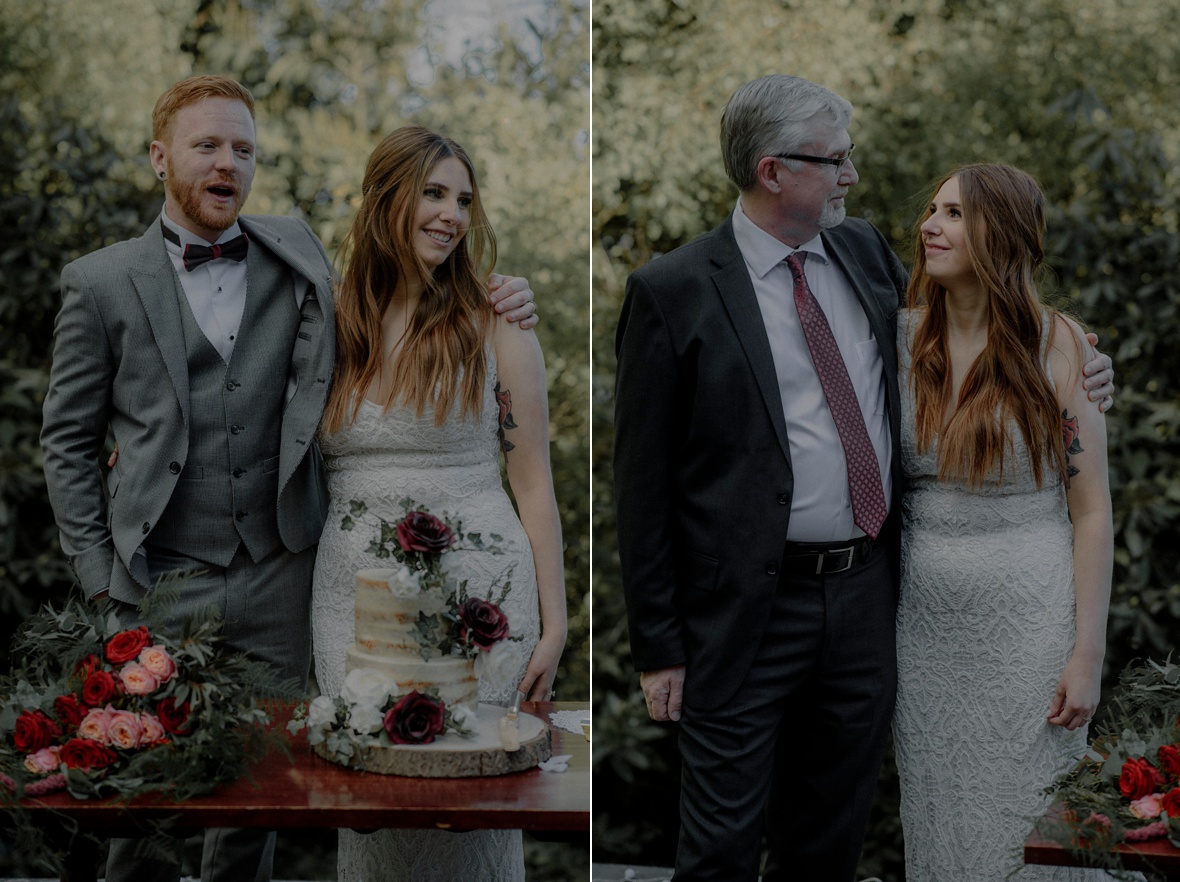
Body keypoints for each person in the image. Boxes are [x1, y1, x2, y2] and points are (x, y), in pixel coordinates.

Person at [612, 74, 1114, 881]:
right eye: (836, 160)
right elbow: (640, 488)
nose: (852, 176)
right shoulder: (672, 292)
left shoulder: (865, 253)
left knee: (828, 841)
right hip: (740, 614)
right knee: (719, 849)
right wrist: (658, 646)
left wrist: (1085, 366)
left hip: (866, 604)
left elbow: (990, 347)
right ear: (774, 170)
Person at [38, 76, 537, 882]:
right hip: (157, 583)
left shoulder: (294, 255)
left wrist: (500, 295)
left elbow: (401, 291)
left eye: (243, 148)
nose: (227, 162)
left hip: (281, 580)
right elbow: (65, 444)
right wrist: (102, 583)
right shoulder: (98, 283)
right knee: (142, 810)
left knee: (254, 817)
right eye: (207, 145)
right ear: (159, 156)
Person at [310, 125, 567, 881]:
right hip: (349, 605)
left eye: (462, 198)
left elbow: (535, 485)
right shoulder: (329, 319)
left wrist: (556, 624)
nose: (451, 215)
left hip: (480, 602)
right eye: (432, 193)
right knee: (373, 805)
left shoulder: (497, 322)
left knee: (470, 807)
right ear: (387, 198)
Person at [893, 164, 1113, 880]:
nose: (930, 224)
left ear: (1002, 233)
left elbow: (1091, 511)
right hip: (922, 633)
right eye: (932, 209)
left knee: (1028, 822)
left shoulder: (1061, 346)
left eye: (954, 213)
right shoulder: (898, 340)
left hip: (1030, 628)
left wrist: (1087, 654)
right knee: (942, 817)